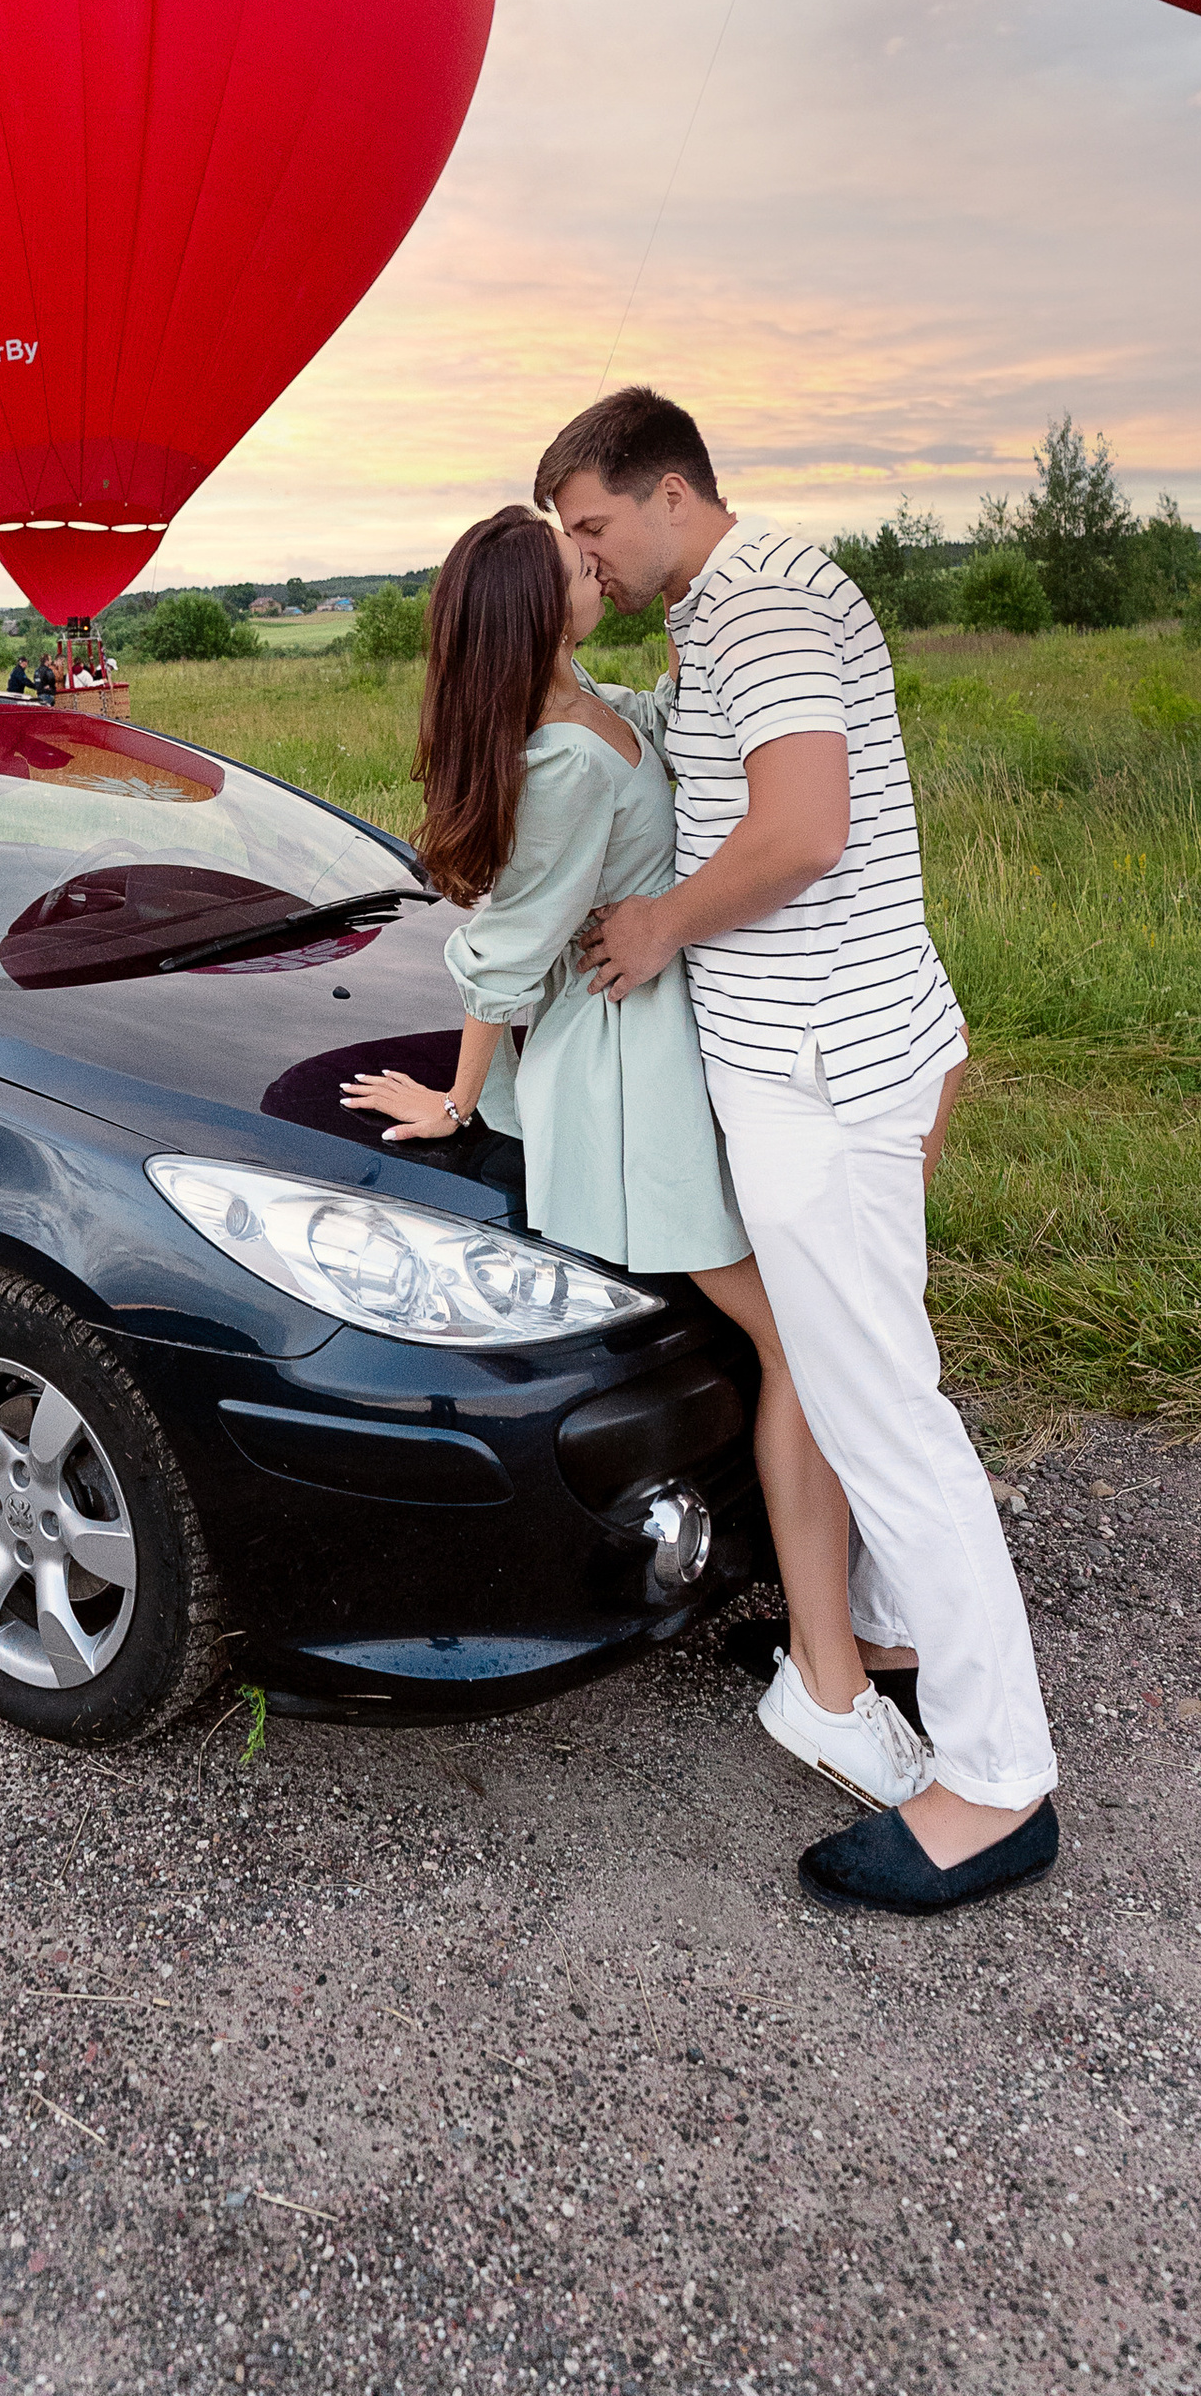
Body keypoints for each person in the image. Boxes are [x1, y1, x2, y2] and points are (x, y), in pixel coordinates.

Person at [539, 383, 1059, 1915]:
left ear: (669, 492)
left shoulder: (756, 607)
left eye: (592, 526)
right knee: (865, 1371)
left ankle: (994, 1776)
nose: (591, 558)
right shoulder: (747, 604)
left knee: (879, 1406)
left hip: (823, 1080)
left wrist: (656, 926)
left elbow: (805, 829)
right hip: (861, 1044)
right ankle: (885, 1640)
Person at [340, 504, 929, 1814]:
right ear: (534, 610)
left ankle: (856, 1621)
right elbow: (509, 938)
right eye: (570, 565)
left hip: (684, 1038)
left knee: (797, 1336)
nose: (591, 564)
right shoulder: (558, 758)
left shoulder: (596, 704)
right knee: (806, 1341)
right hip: (635, 1080)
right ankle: (827, 1676)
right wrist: (455, 1097)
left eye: (589, 547)